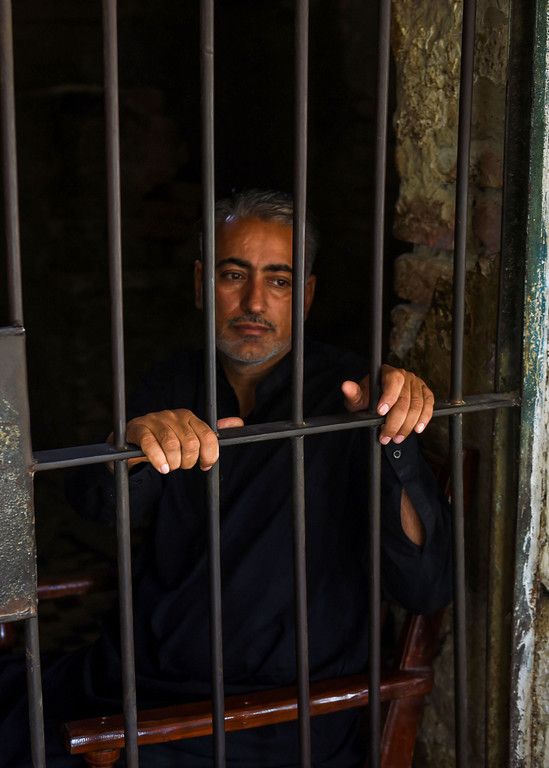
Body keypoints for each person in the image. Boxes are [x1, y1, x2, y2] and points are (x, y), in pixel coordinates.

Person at [0, 190, 451, 768]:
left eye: (279, 281)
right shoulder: (175, 379)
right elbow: (95, 503)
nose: (254, 302)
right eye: (233, 275)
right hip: (133, 677)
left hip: (262, 719)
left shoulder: (349, 400)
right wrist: (131, 447)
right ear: (200, 285)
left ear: (306, 296)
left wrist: (393, 434)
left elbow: (425, 587)